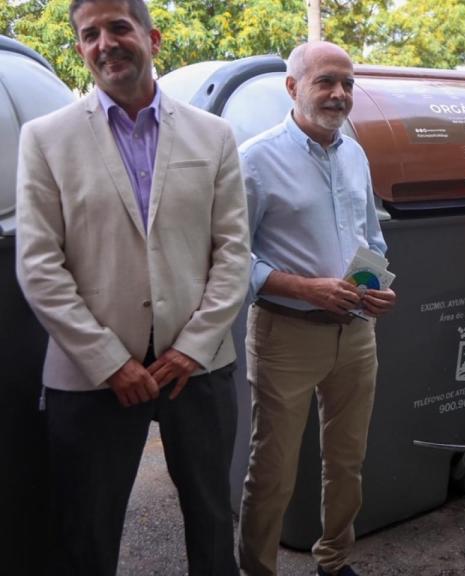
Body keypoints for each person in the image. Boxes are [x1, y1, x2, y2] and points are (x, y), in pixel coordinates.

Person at [14, 0, 250, 573]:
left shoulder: (213, 135)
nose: (105, 43)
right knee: (87, 532)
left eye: (119, 27)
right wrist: (109, 362)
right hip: (92, 374)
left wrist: (190, 349)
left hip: (197, 367)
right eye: (89, 34)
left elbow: (234, 254)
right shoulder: (45, 138)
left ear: (152, 37)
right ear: (79, 49)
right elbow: (39, 265)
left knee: (213, 520)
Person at [237, 41, 397, 576]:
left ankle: (335, 560)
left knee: (347, 462)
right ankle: (257, 569)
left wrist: (377, 287)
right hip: (285, 334)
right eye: (326, 81)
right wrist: (307, 289)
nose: (339, 94)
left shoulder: (355, 153)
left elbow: (371, 235)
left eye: (347, 84)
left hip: (355, 334)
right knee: (273, 469)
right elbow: (233, 259)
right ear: (292, 87)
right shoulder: (255, 159)